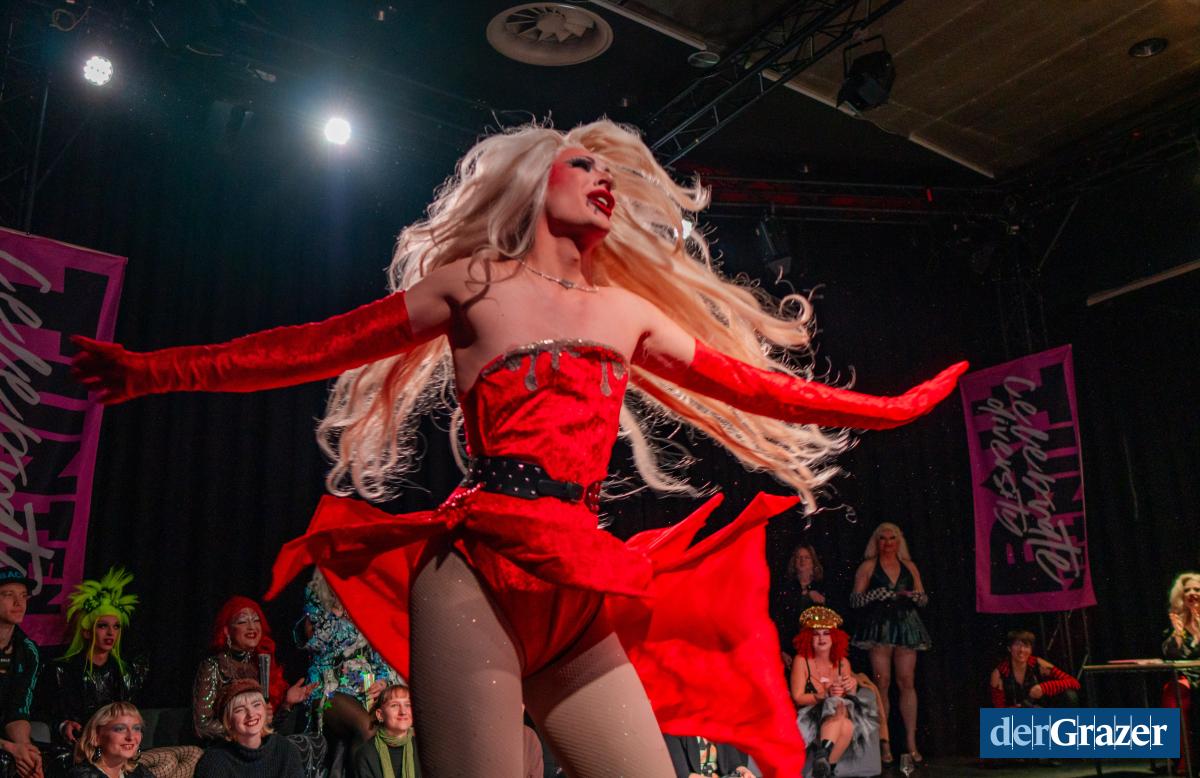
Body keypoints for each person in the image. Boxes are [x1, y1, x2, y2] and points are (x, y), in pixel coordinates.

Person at [72, 119, 966, 777]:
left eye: (613, 173)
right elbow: (312, 346)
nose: (604, 181)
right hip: (479, 572)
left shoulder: (625, 313)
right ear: (536, 180)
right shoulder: (474, 285)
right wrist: (155, 372)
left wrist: (890, 410)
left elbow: (757, 387)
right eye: (585, 165)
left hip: (576, 578)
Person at [191, 598, 321, 775]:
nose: (252, 627)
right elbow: (202, 725)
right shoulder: (213, 666)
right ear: (227, 630)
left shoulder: (262, 663)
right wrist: (238, 728)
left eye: (256, 620)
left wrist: (286, 704)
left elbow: (267, 725)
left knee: (310, 742)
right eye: (242, 621)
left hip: (258, 744)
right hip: (227, 748)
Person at [850, 522, 929, 766]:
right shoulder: (868, 566)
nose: (887, 543)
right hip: (880, 627)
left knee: (907, 681)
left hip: (906, 625)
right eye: (883, 538)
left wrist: (917, 597)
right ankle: (884, 744)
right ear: (876, 542)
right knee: (881, 682)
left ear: (898, 541)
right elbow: (854, 600)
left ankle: (911, 743)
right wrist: (873, 595)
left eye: (892, 538)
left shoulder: (909, 566)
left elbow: (923, 598)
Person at [297, 570, 399, 745]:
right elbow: (317, 641)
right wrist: (338, 611)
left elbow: (380, 650)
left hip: (364, 685)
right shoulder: (316, 598)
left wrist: (382, 681)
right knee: (367, 728)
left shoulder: (367, 603)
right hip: (327, 689)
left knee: (391, 730)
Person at [790, 607, 878, 778]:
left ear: (835, 638)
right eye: (816, 634)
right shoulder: (801, 661)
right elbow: (798, 698)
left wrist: (851, 687)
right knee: (840, 713)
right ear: (808, 638)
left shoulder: (843, 663)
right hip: (811, 717)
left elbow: (848, 696)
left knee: (844, 716)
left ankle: (823, 761)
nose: (821, 638)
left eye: (826, 633)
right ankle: (826, 765)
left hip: (838, 715)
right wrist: (824, 695)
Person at [193, 680, 303, 778]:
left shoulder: (286, 750)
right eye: (239, 710)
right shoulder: (213, 761)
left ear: (265, 710)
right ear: (229, 721)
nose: (251, 714)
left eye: (256, 705)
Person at [0, 568, 43, 778]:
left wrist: (25, 748)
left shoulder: (28, 650)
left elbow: (18, 710)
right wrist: (10, 747)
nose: (19, 603)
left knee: (33, 761)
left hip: (5, 737)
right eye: (9, 595)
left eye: (23, 596)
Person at [1162, 572, 1200, 774]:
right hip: (1188, 674)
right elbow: (1170, 654)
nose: (1192, 593)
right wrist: (1178, 634)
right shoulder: (1177, 621)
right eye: (1187, 590)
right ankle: (1185, 758)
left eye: (1197, 589)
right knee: (1173, 693)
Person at [988, 630, 1079, 708]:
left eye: (1026, 646)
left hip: (1041, 712)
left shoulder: (1037, 663)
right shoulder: (1000, 673)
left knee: (1070, 695)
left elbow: (1073, 682)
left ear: (1031, 650)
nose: (1021, 650)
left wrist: (1043, 688)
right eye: (1017, 645)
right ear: (1009, 648)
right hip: (1015, 717)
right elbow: (998, 710)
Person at [65, 702, 153, 778]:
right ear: (96, 737)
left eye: (136, 728)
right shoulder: (83, 775)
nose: (131, 737)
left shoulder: (137, 771)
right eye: (120, 729)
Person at [773, 544, 826, 664]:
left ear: (813, 562)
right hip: (791, 648)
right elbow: (779, 620)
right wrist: (781, 649)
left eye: (806, 557)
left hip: (817, 648)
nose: (802, 561)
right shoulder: (786, 587)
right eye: (799, 557)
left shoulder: (822, 585)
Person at [352, 685, 418, 778]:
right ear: (380, 715)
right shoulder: (366, 753)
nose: (403, 712)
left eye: (408, 705)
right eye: (394, 705)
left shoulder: (424, 749)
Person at [664, 734, 756, 777]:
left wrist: (744, 772)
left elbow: (735, 764)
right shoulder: (672, 729)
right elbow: (683, 775)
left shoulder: (720, 725)